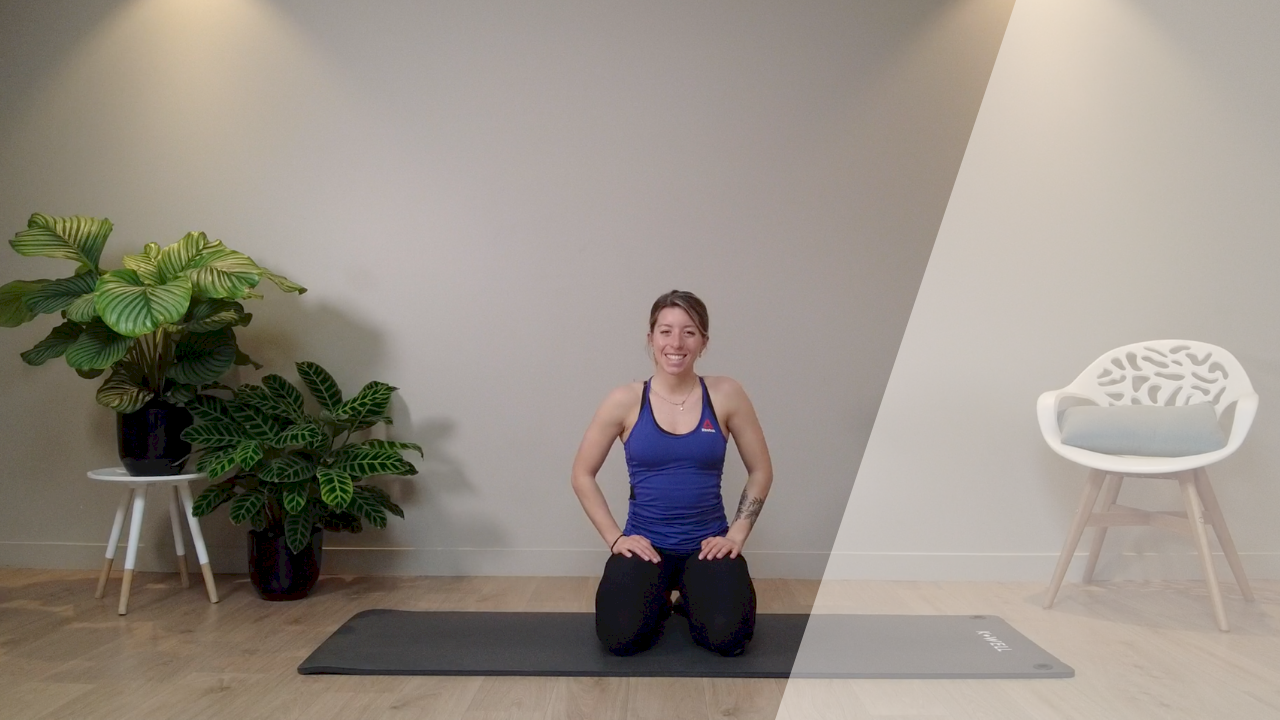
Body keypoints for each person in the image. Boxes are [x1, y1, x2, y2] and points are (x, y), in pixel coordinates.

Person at [571, 290, 773, 657]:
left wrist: (736, 535)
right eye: (665, 331)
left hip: (707, 547)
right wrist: (616, 539)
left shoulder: (726, 394)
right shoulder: (625, 400)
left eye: (689, 332)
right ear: (651, 338)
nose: (676, 343)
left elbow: (761, 470)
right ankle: (660, 601)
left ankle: (690, 600)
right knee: (619, 639)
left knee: (730, 640)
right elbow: (582, 474)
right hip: (646, 548)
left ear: (703, 342)